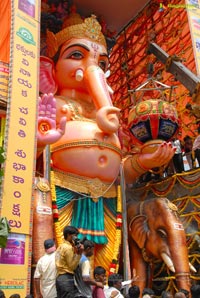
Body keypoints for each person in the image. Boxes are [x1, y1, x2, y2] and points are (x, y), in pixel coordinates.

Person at [36, 7, 175, 273]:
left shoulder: (107, 110)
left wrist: (142, 162)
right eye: (77, 55)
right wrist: (41, 144)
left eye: (101, 64)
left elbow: (119, 172)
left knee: (100, 268)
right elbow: (25, 155)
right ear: (49, 70)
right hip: (61, 190)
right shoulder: (52, 103)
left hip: (107, 197)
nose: (91, 67)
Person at [55, 225, 84, 298]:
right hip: (66, 278)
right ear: (68, 235)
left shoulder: (61, 246)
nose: (76, 238)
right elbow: (72, 266)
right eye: (75, 236)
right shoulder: (68, 248)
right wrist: (79, 254)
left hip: (59, 278)